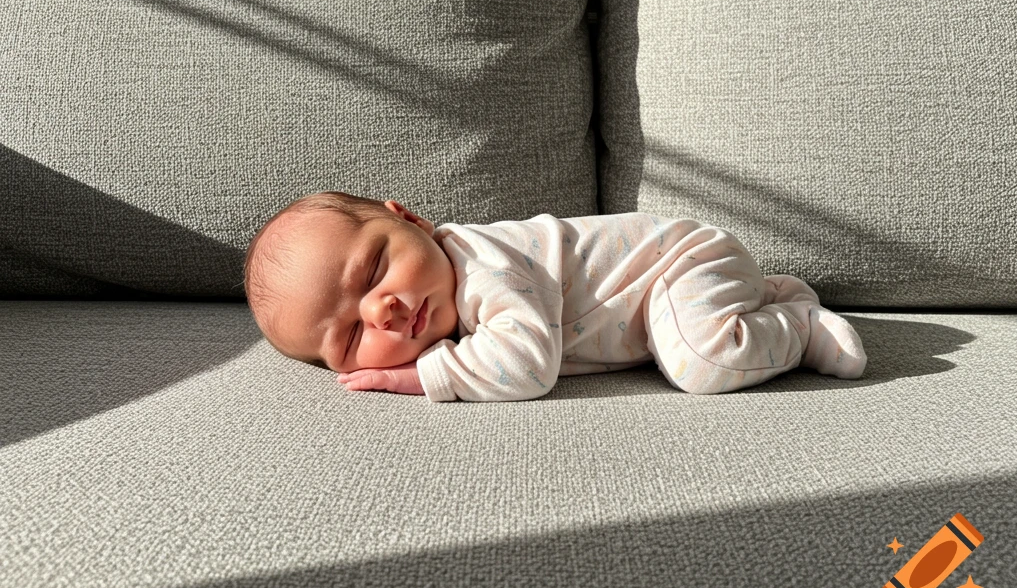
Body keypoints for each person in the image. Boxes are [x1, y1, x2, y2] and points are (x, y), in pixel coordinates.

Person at [243, 191, 867, 402]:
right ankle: (758, 298)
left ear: (409, 218)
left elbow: (530, 366)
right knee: (683, 345)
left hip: (681, 263)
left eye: (376, 266)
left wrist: (427, 374)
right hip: (660, 302)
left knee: (702, 363)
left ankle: (798, 324)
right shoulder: (449, 299)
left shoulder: (483, 266)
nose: (383, 310)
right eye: (352, 337)